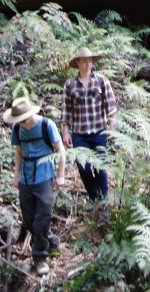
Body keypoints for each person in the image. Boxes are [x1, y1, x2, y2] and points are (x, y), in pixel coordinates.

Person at [5, 96, 66, 276]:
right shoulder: (18, 129)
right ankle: (50, 240)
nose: (21, 123)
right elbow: (18, 152)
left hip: (44, 175)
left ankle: (39, 258)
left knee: (43, 216)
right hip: (26, 177)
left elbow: (60, 150)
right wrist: (16, 175)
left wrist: (61, 175)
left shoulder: (47, 125)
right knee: (29, 219)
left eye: (22, 120)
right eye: (18, 121)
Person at [61, 47, 117, 203]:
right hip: (79, 134)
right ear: (77, 63)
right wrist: (65, 132)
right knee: (84, 169)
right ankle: (94, 198)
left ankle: (103, 202)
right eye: (84, 61)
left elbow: (111, 108)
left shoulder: (101, 81)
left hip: (99, 132)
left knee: (101, 168)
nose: (87, 63)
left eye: (90, 60)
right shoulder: (70, 84)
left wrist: (112, 130)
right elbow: (66, 110)